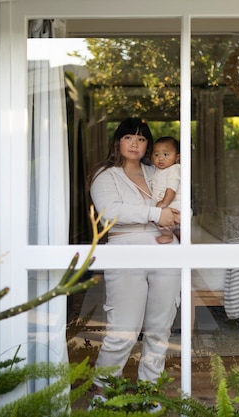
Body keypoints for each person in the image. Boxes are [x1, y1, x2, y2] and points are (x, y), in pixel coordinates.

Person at [87, 117, 181, 408]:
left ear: (147, 146)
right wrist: (156, 215)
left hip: (166, 250)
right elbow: (109, 211)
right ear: (118, 141)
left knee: (159, 328)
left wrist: (174, 226)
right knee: (124, 329)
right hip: (125, 250)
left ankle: (149, 392)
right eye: (129, 138)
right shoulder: (106, 175)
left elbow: (181, 204)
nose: (135, 144)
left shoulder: (158, 171)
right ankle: (102, 391)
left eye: (141, 140)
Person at [151, 136, 181, 243]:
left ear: (177, 157)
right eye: (156, 155)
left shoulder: (174, 169)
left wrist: (164, 203)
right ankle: (180, 237)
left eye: (165, 154)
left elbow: (171, 188)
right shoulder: (157, 169)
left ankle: (168, 236)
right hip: (167, 204)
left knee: (160, 220)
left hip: (173, 204)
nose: (160, 158)